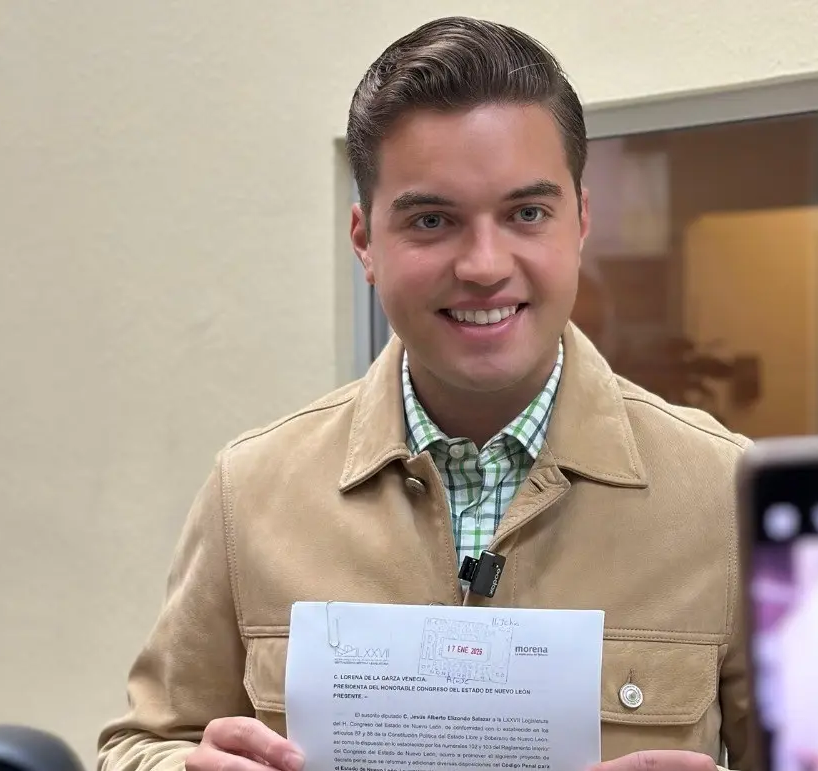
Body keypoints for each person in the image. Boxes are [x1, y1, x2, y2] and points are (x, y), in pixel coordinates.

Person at [97, 16, 754, 771]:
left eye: (526, 213)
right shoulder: (250, 490)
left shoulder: (723, 494)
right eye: (432, 220)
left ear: (580, 221)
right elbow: (137, 743)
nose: (483, 264)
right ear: (364, 241)